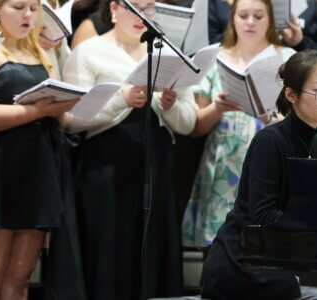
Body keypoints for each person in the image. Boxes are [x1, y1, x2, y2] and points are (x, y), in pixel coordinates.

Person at [61, 0, 198, 298]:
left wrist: (170, 106)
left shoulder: (168, 54)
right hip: (105, 170)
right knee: (108, 252)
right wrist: (121, 99)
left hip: (156, 167)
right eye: (134, 6)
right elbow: (72, 120)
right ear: (114, 8)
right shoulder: (90, 51)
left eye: (149, 8)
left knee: (151, 252)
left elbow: (188, 123)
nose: (142, 16)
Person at [0, 0, 82, 298]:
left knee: (19, 276)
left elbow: (59, 117)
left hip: (36, 169)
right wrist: (38, 112)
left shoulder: (37, 49)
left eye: (33, 8)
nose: (28, 15)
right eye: (18, 7)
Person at [200, 49, 317, 300]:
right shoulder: (270, 140)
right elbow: (262, 216)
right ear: (291, 95)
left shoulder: (316, 143)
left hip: (276, 257)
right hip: (241, 261)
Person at [181, 0, 295, 249]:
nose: (251, 22)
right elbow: (196, 126)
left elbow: (297, 125)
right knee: (220, 247)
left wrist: (266, 116)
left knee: (265, 241)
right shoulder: (214, 57)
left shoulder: (287, 59)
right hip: (223, 163)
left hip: (269, 159)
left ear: (270, 20)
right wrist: (217, 107)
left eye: (258, 16)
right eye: (243, 15)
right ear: (233, 18)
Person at [208, 0, 317, 56]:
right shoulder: (222, 4)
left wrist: (300, 44)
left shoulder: (310, 6)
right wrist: (244, 32)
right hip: (235, 64)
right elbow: (209, 45)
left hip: (296, 77)